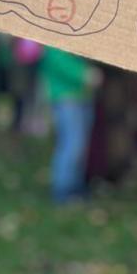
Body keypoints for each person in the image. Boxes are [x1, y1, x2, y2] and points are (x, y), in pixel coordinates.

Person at [39, 46, 98, 203]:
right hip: (66, 97)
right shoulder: (56, 34)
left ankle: (75, 187)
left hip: (81, 95)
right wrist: (84, 75)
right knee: (72, 144)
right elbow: (56, 60)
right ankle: (63, 191)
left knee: (79, 145)